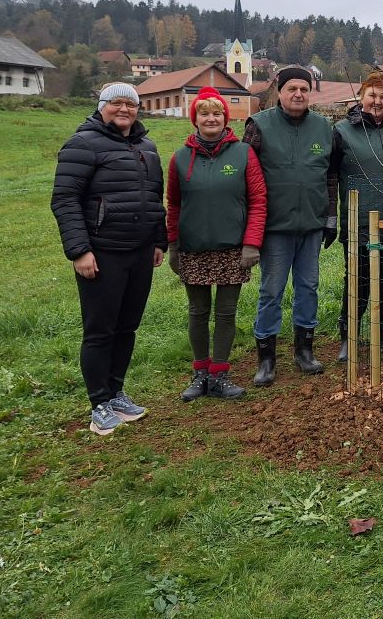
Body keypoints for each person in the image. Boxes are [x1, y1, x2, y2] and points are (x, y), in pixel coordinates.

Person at [51, 82, 166, 436]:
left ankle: (116, 393)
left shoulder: (147, 146)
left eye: (131, 104)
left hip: (140, 252)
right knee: (100, 330)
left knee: (127, 327)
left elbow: (154, 196)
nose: (124, 110)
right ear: (102, 106)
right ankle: (98, 402)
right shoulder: (83, 143)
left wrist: (159, 240)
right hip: (102, 253)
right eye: (116, 103)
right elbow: (65, 200)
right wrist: (79, 250)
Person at [166, 87, 268, 402]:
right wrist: (173, 245)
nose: (211, 119)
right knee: (197, 311)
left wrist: (252, 243)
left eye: (217, 113)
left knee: (226, 313)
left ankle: (220, 374)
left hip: (232, 248)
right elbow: (173, 205)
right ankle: (200, 375)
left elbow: (258, 200)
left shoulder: (243, 154)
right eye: (204, 113)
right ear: (194, 118)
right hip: (193, 248)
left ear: (226, 117)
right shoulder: (180, 158)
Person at [243, 66, 335, 386]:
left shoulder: (324, 128)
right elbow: (246, 177)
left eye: (304, 89)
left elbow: (332, 177)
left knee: (308, 288)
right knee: (272, 290)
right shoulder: (259, 126)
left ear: (310, 93)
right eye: (291, 88)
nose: (298, 94)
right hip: (274, 227)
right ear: (279, 92)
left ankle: (304, 351)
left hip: (311, 224)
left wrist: (331, 218)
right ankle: (266, 358)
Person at [329, 71, 383, 364]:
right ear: (361, 96)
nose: (377, 101)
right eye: (372, 95)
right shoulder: (342, 131)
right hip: (359, 219)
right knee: (358, 279)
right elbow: (330, 174)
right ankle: (349, 335)